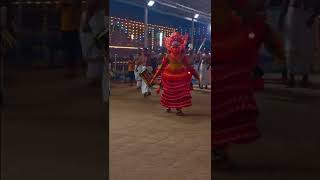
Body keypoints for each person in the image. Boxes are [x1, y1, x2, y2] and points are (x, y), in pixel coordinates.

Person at [212, 0, 285, 169]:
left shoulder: (250, 23)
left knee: (224, 113)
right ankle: (217, 151)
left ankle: (217, 151)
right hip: (228, 72)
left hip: (231, 71)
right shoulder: (250, 22)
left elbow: (263, 32)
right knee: (224, 113)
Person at [150, 32, 200, 116]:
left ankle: (178, 109)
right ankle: (169, 106)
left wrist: (195, 75)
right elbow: (161, 67)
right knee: (169, 92)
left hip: (180, 77)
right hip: (169, 77)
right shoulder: (167, 56)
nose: (175, 47)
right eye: (174, 45)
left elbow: (189, 67)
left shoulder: (183, 56)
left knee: (179, 94)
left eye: (177, 45)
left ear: (180, 46)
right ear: (170, 46)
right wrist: (153, 78)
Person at [278, 0, 316, 87]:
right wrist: (281, 16)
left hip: (307, 13)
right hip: (292, 12)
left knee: (307, 46)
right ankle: (291, 77)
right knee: (290, 45)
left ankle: (305, 78)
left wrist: (313, 16)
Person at [58, 0, 82, 78]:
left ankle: (72, 71)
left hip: (73, 28)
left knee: (72, 50)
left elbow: (78, 6)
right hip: (66, 28)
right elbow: (58, 9)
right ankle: (69, 71)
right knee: (68, 50)